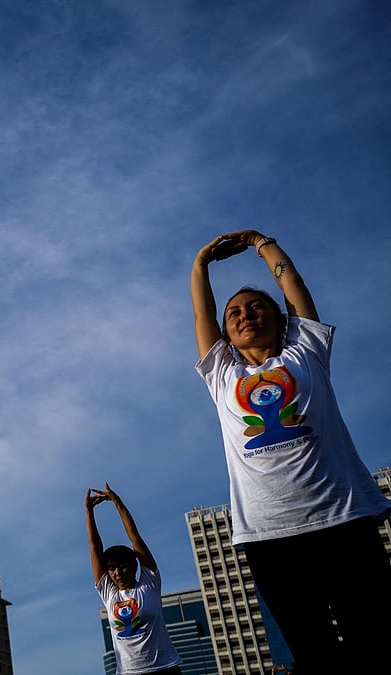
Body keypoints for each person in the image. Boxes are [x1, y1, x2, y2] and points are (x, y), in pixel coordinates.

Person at [191, 231, 391, 673]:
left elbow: (293, 284)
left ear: (281, 319)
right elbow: (201, 314)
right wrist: (201, 263)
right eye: (234, 313)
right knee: (313, 653)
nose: (245, 315)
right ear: (225, 335)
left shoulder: (306, 352)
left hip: (343, 520)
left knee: (375, 642)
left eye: (255, 306)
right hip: (270, 537)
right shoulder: (221, 375)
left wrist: (262, 243)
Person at [86, 484, 182, 675]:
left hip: (164, 669)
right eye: (112, 568)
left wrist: (117, 502)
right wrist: (89, 512)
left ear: (134, 566)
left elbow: (135, 538)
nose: (117, 573)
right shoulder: (109, 593)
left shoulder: (149, 584)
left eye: (122, 566)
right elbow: (95, 547)